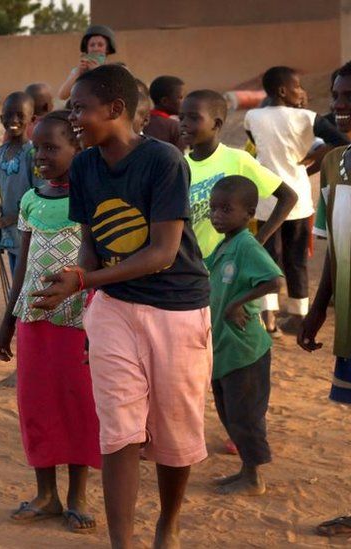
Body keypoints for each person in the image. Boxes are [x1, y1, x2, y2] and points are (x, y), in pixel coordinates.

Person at [32, 64, 212, 549]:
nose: (72, 118)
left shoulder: (164, 161)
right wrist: (85, 293)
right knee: (119, 431)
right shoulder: (86, 165)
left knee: (174, 431)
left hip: (175, 308)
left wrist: (84, 280)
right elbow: (92, 243)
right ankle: (122, 544)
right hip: (112, 307)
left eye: (79, 108)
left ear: (115, 110)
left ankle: (167, 525)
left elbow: (162, 254)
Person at [0, 111, 101, 534]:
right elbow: (21, 269)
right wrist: (7, 318)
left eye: (53, 147)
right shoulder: (31, 201)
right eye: (38, 147)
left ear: (78, 149)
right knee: (37, 405)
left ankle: (77, 496)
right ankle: (45, 493)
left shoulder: (89, 198)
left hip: (77, 321)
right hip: (33, 321)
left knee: (78, 405)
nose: (42, 155)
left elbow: (94, 261)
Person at [244, 66, 349, 334]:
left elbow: (256, 145)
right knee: (297, 259)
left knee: (268, 259)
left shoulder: (252, 116)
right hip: (298, 198)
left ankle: (268, 318)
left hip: (267, 197)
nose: (302, 91)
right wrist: (310, 159)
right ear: (282, 90)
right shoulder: (306, 116)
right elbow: (339, 140)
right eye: (298, 86)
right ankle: (298, 315)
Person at [205, 176, 284, 496]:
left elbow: (274, 281)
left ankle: (253, 477)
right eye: (213, 209)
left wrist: (237, 303)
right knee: (228, 412)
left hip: (245, 349)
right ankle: (244, 471)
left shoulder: (247, 245)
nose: (217, 216)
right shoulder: (226, 244)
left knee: (244, 414)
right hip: (225, 347)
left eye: (226, 209)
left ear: (249, 213)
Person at [299, 60, 351, 537]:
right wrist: (317, 310)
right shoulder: (335, 163)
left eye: (349, 97)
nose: (339, 107)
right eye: (336, 97)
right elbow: (337, 241)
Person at [180, 89, 297, 258]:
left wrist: (259, 240)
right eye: (181, 117)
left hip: (230, 264)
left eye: (193, 117)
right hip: (192, 266)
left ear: (216, 124)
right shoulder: (178, 165)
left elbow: (288, 197)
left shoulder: (238, 159)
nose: (183, 123)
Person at [0, 91, 39, 275]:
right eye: (8, 115)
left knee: (24, 285)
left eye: (20, 115)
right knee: (15, 281)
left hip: (29, 237)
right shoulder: (2, 152)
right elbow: (9, 193)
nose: (13, 120)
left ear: (32, 118)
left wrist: (6, 219)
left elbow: (38, 199)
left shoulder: (33, 155)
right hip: (11, 235)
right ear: (1, 118)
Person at [56, 25, 117, 101]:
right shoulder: (78, 71)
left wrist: (97, 72)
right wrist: (78, 72)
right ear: (87, 49)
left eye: (100, 45)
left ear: (107, 49)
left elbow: (114, 94)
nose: (96, 48)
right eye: (92, 45)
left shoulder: (114, 70)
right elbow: (62, 96)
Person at [144, 75, 184, 148]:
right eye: (180, 98)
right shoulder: (174, 126)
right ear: (165, 101)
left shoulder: (143, 119)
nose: (185, 101)